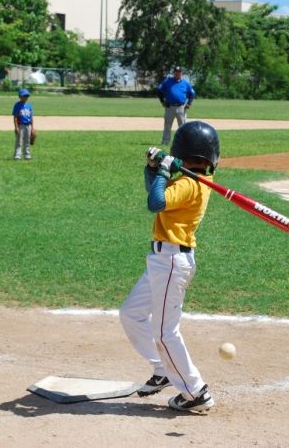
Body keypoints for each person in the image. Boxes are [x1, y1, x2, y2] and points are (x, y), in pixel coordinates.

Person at [120, 121, 219, 413]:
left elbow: (156, 201)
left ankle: (195, 392)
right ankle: (163, 369)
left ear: (181, 151)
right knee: (131, 314)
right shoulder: (190, 181)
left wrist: (164, 169)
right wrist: (153, 169)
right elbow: (156, 191)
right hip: (163, 261)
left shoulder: (190, 184)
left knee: (165, 332)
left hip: (171, 262)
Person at [156, 66, 195, 146]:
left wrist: (189, 103)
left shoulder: (185, 83)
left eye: (179, 72)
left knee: (182, 127)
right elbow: (159, 89)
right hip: (169, 107)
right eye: (176, 72)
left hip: (181, 107)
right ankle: (165, 142)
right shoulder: (168, 81)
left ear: (182, 73)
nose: (177, 73)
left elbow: (192, 93)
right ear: (174, 73)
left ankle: (183, 143)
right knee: (167, 125)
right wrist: (162, 101)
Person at [12, 88, 35, 160]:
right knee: (19, 140)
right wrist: (16, 127)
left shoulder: (29, 106)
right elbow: (15, 117)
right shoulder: (17, 105)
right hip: (20, 125)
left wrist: (33, 128)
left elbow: (31, 117)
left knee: (27, 140)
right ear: (20, 97)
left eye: (27, 96)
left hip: (28, 125)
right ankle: (17, 155)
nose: (26, 97)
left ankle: (27, 155)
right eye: (24, 96)